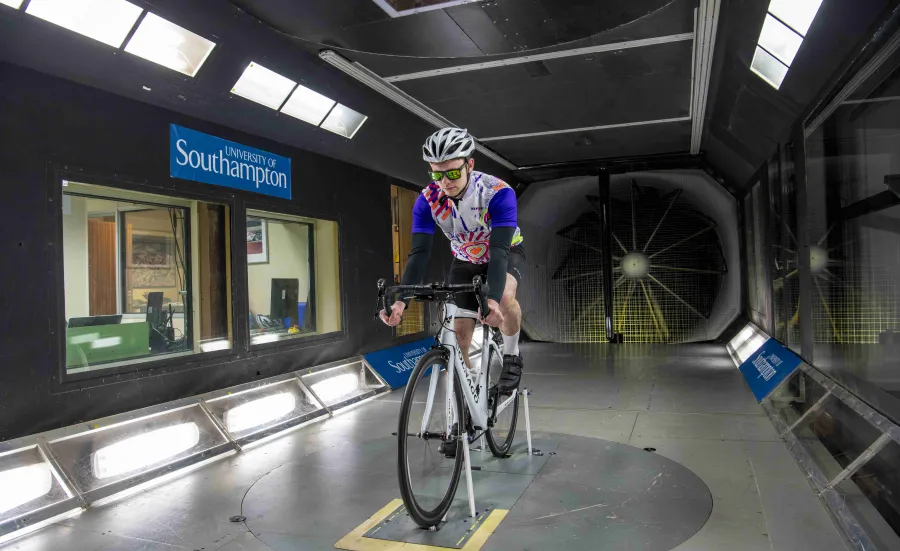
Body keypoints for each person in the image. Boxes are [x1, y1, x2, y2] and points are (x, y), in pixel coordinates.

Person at [380, 127, 525, 392]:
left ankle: (512, 356)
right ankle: (468, 392)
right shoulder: (428, 200)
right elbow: (419, 253)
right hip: (465, 259)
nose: (445, 181)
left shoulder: (497, 192)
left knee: (503, 297)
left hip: (504, 252)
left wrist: (491, 299)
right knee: (459, 330)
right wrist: (401, 301)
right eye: (437, 174)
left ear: (470, 164)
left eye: (453, 173)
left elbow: (499, 251)